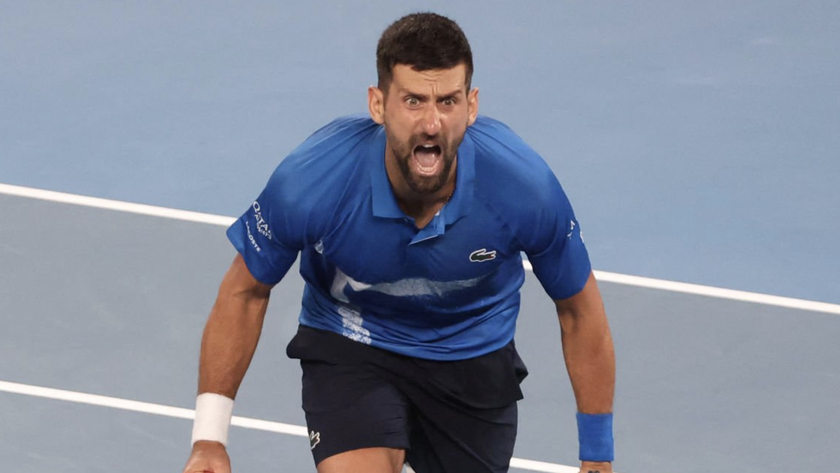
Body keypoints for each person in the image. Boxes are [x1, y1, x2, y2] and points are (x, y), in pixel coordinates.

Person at [182, 12, 615, 473]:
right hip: (353, 345)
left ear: (471, 106)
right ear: (378, 104)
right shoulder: (315, 180)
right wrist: (209, 439)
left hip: (471, 358)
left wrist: (597, 457)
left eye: (447, 101)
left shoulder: (523, 189)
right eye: (413, 101)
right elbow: (245, 294)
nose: (431, 123)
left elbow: (579, 310)